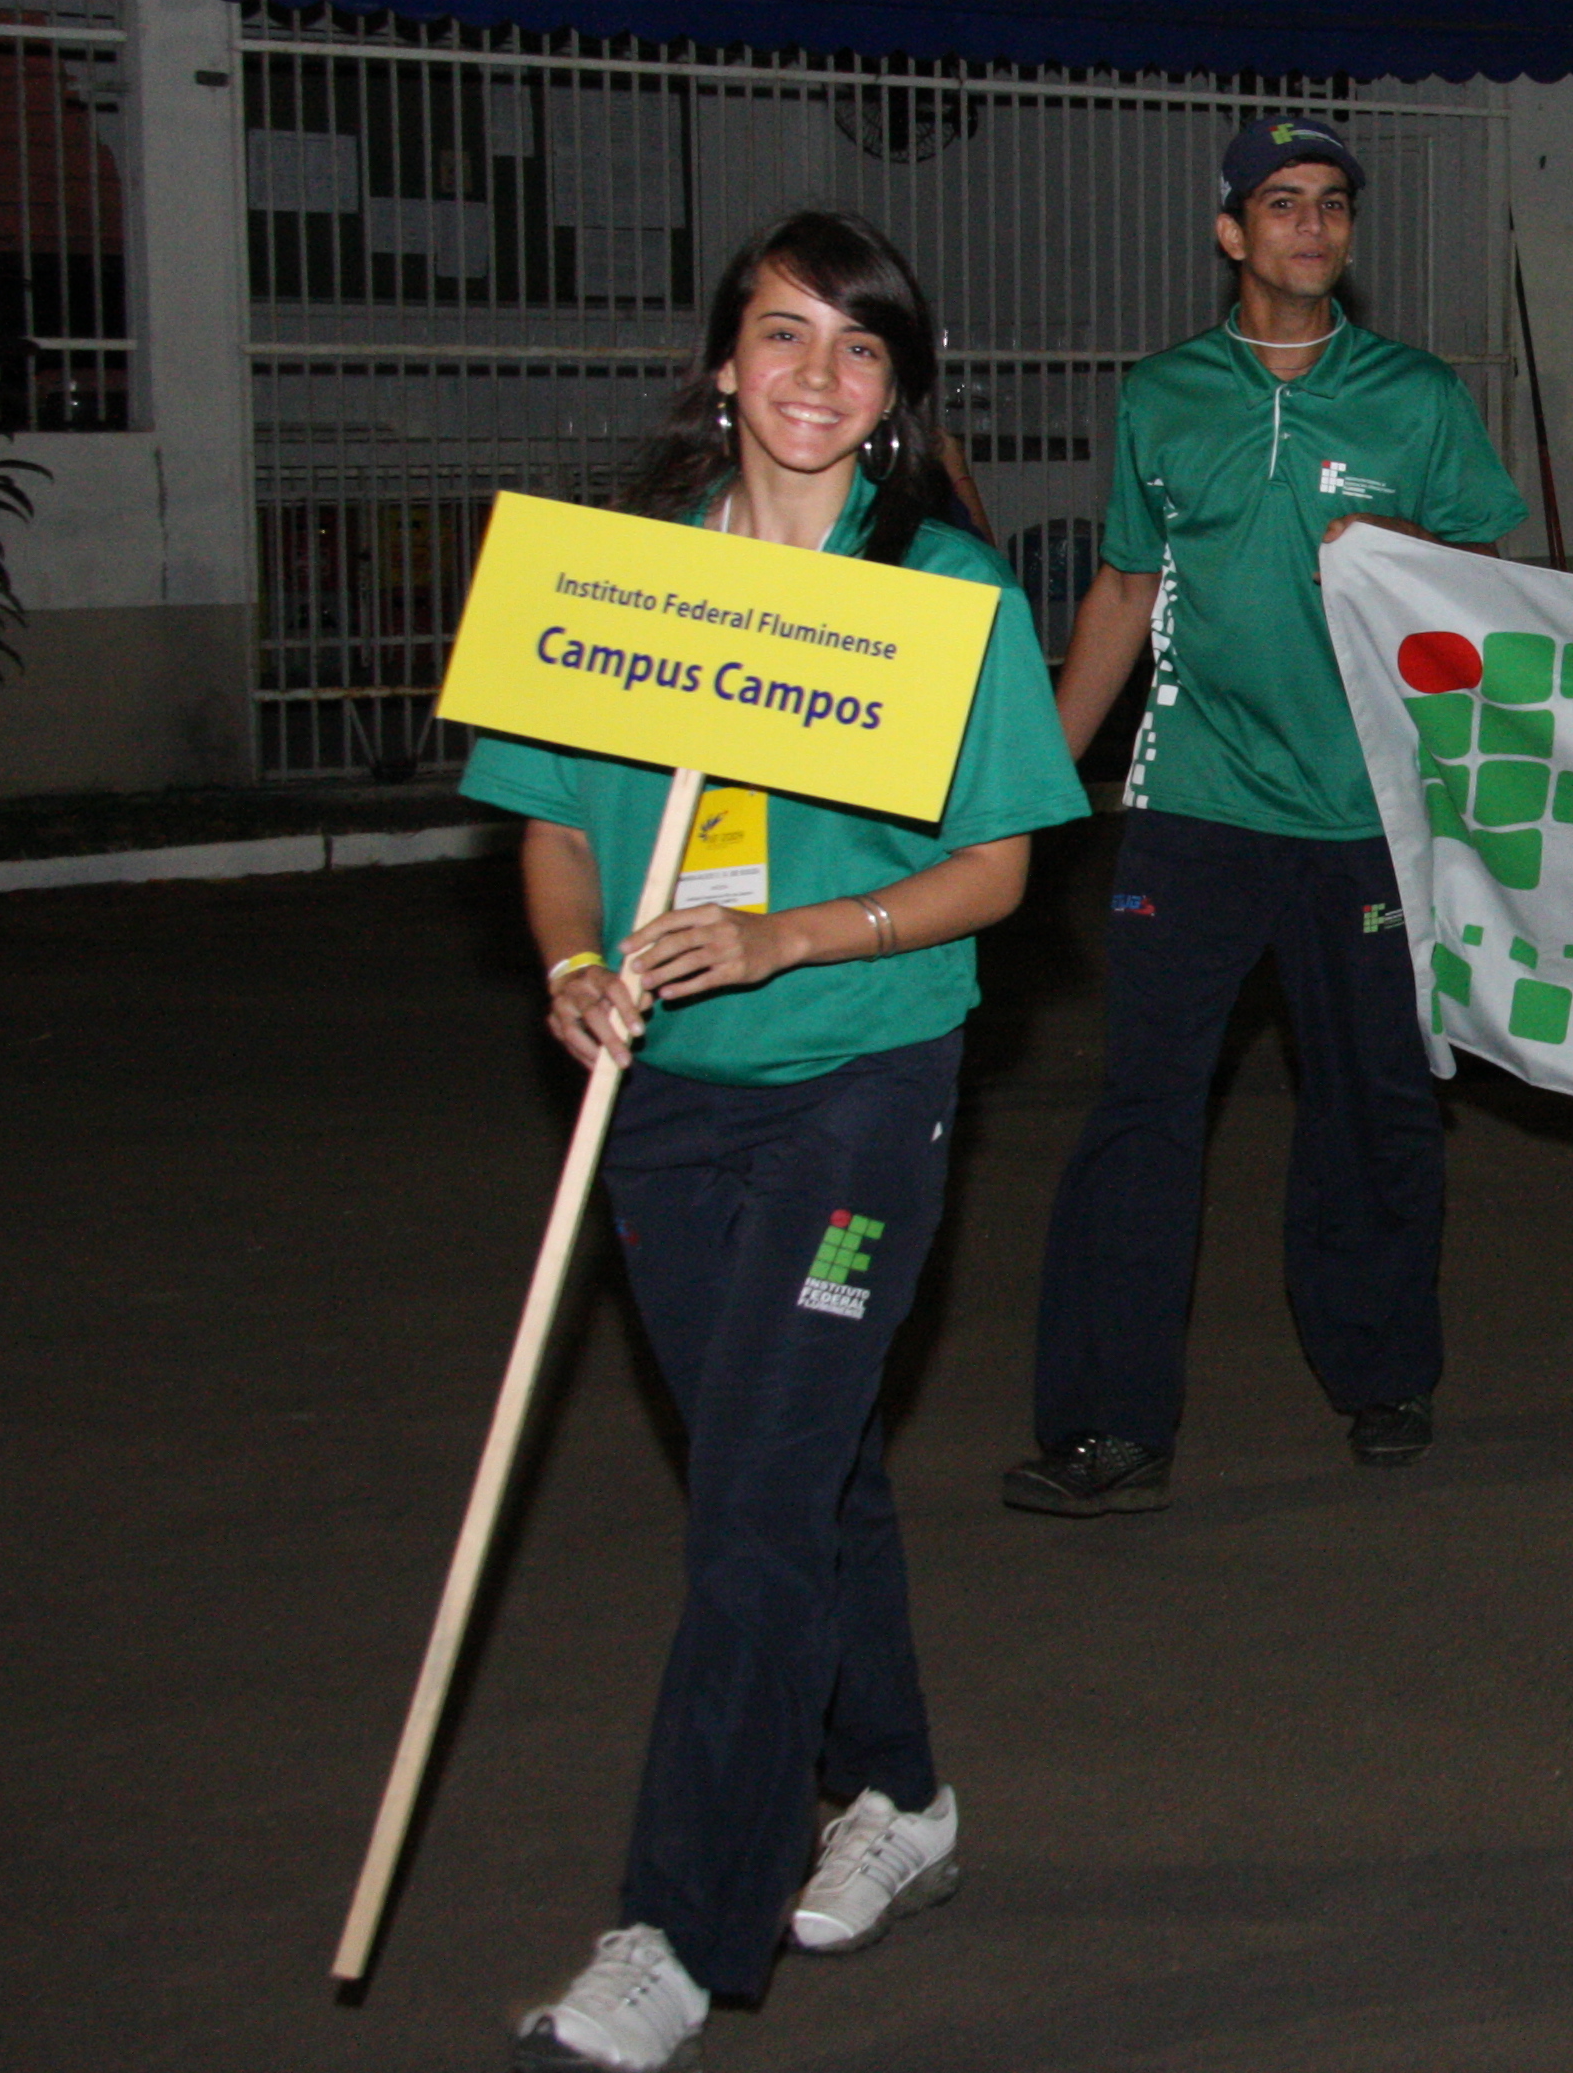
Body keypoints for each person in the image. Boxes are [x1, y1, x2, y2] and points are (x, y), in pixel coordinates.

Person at [471, 212, 1088, 2070]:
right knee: (796, 1464)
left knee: (748, 1501)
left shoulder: (944, 594)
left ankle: (676, 1929)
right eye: (784, 335)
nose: (817, 376)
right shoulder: (624, 578)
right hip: (664, 1096)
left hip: (863, 1087)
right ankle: (898, 1791)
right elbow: (552, 826)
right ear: (722, 365)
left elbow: (999, 869)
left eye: (859, 346)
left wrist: (793, 937)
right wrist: (572, 964)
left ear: (895, 393)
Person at [1010, 117, 1529, 1515]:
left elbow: (1484, 581)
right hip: (1196, 803)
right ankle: (1110, 1424)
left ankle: (1383, 1372)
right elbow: (1125, 590)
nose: (1313, 224)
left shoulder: (1414, 396)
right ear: (1232, 233)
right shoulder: (1164, 395)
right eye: (1284, 203)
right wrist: (1037, 784)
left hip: (1365, 809)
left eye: (1334, 203)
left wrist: (1401, 547)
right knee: (1143, 1111)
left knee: (1371, 1103)